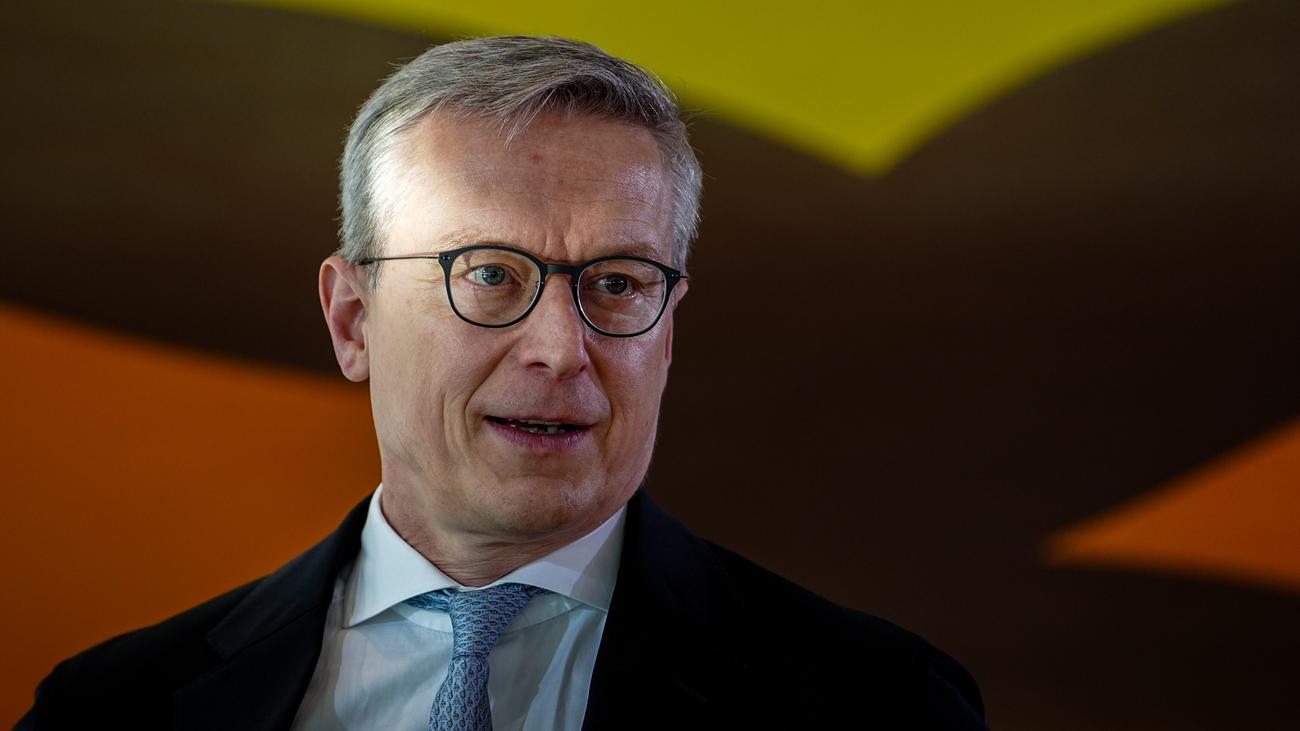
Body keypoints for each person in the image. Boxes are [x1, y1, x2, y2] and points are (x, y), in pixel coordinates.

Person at [19, 36, 987, 730]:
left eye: (617, 283)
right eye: (488, 274)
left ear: (668, 331)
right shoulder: (110, 707)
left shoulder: (883, 702)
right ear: (353, 319)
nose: (560, 349)